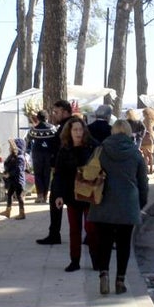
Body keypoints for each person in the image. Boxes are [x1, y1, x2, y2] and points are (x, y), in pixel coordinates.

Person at [88, 120, 149, 295]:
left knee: (104, 242)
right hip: (128, 204)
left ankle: (104, 275)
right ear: (129, 132)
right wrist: (140, 203)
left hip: (103, 203)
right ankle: (120, 281)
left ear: (113, 132)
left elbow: (90, 173)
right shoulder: (135, 153)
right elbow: (143, 182)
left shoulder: (100, 151)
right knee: (123, 244)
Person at [49, 117, 98, 272]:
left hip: (89, 195)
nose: (78, 132)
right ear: (69, 132)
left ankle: (96, 259)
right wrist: (58, 195)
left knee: (91, 229)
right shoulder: (64, 150)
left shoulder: (92, 147)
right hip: (72, 196)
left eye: (80, 129)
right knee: (74, 230)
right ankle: (74, 261)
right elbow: (59, 175)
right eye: (75, 130)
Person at [36, 100, 74, 245]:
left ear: (65, 111)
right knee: (57, 202)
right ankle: (54, 233)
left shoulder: (69, 126)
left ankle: (54, 234)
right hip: (62, 170)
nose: (54, 115)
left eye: (57, 112)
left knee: (60, 202)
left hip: (65, 172)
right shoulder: (64, 126)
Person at [25, 110, 55, 203]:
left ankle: (40, 195)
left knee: (38, 174)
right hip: (49, 154)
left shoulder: (34, 129)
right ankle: (46, 195)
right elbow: (57, 140)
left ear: (38, 118)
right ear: (47, 118)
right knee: (47, 174)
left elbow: (27, 139)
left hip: (37, 154)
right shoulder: (52, 128)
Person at [0, 138, 27, 220]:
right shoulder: (12, 156)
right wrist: (5, 171)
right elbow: (9, 165)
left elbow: (18, 169)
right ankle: (8, 211)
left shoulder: (20, 157)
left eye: (11, 147)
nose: (9, 148)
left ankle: (22, 213)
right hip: (13, 180)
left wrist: (9, 174)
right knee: (9, 194)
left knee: (19, 196)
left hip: (18, 180)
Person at [140, 107, 154, 174]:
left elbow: (144, 129)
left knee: (145, 155)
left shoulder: (145, 120)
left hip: (145, 138)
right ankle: (151, 169)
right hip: (151, 138)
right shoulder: (153, 119)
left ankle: (146, 169)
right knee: (150, 155)